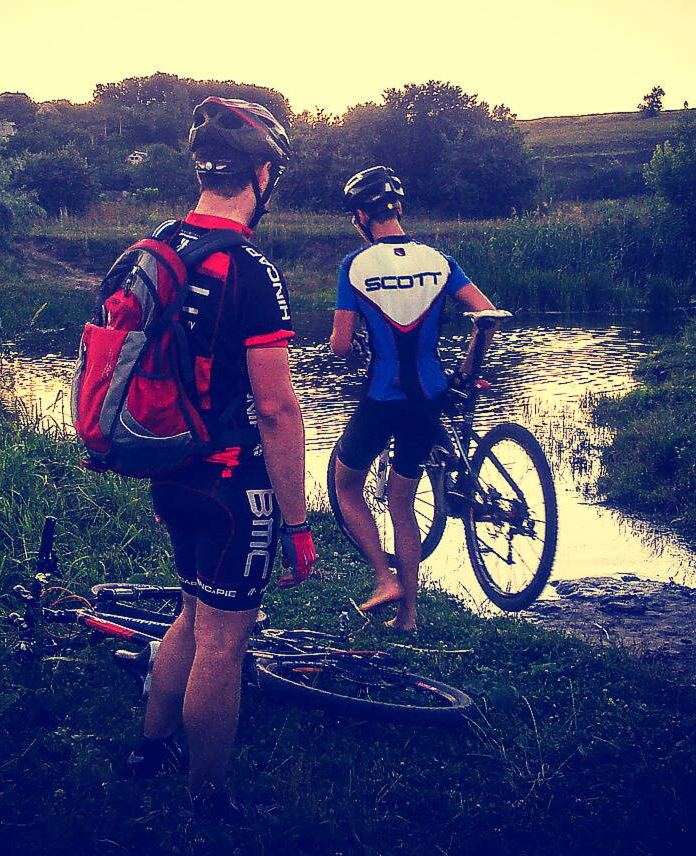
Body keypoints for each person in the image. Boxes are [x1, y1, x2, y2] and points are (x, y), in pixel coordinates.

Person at [124, 97, 316, 819]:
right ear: (263, 176)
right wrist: (297, 523)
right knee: (223, 642)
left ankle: (149, 749)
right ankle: (207, 800)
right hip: (234, 484)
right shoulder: (250, 269)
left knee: (189, 612)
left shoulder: (159, 246)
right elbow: (278, 411)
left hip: (169, 467)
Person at [329, 166, 496, 632]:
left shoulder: (355, 266)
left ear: (361, 217)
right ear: (398, 208)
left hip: (382, 397)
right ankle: (409, 616)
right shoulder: (440, 261)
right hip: (430, 397)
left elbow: (340, 344)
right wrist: (469, 368)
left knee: (346, 486)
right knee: (402, 503)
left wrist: (351, 343)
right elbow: (488, 313)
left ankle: (385, 580)